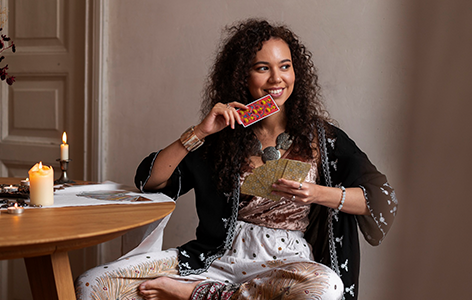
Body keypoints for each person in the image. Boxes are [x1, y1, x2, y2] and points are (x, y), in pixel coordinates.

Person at [75, 19, 397, 300]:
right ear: (242, 76)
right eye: (262, 68)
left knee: (327, 289)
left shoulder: (322, 138)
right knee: (93, 284)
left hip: (287, 267)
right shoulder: (223, 136)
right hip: (216, 259)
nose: (276, 79)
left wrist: (316, 194)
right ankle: (212, 291)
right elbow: (150, 180)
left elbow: (383, 200)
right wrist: (200, 132)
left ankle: (202, 296)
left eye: (285, 66)